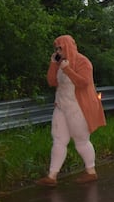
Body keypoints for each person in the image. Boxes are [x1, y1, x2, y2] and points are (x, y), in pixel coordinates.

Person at [36, 35, 106, 187]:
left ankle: (91, 171)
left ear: (68, 46)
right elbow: (51, 81)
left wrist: (67, 69)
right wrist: (53, 64)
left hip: (78, 107)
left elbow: (84, 82)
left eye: (60, 48)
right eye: (56, 48)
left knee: (81, 140)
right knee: (59, 139)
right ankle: (52, 176)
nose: (58, 51)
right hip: (61, 106)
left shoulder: (83, 61)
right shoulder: (59, 63)